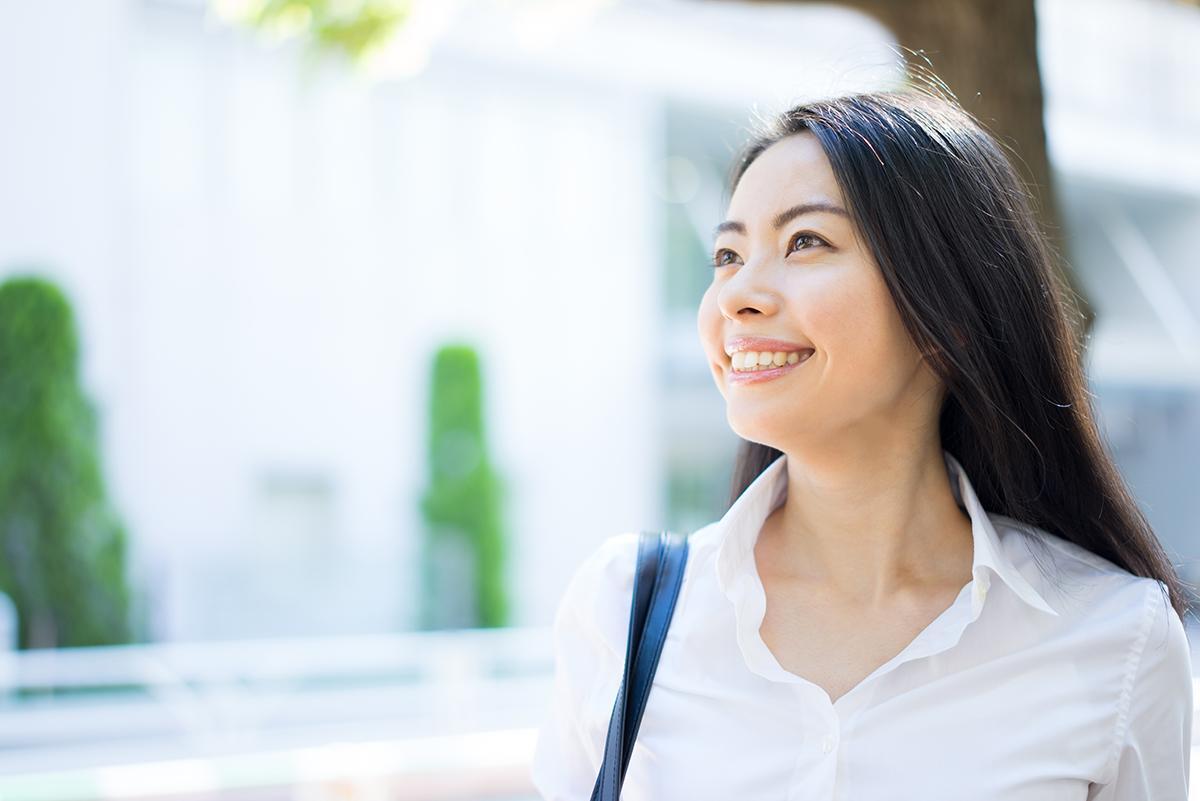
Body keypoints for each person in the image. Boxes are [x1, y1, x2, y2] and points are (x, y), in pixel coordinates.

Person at [530, 88, 1194, 800]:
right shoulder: (622, 611)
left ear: (948, 313)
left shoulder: (1116, 639)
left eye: (805, 241)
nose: (735, 295)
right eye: (727, 254)